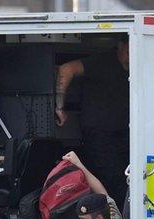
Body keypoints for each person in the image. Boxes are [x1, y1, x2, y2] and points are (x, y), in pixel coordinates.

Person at [55, 36, 130, 207]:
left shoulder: (133, 70)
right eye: (128, 51)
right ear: (120, 46)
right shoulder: (103, 63)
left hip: (124, 139)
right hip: (100, 139)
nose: (131, 57)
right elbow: (66, 69)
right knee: (110, 185)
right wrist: (59, 107)